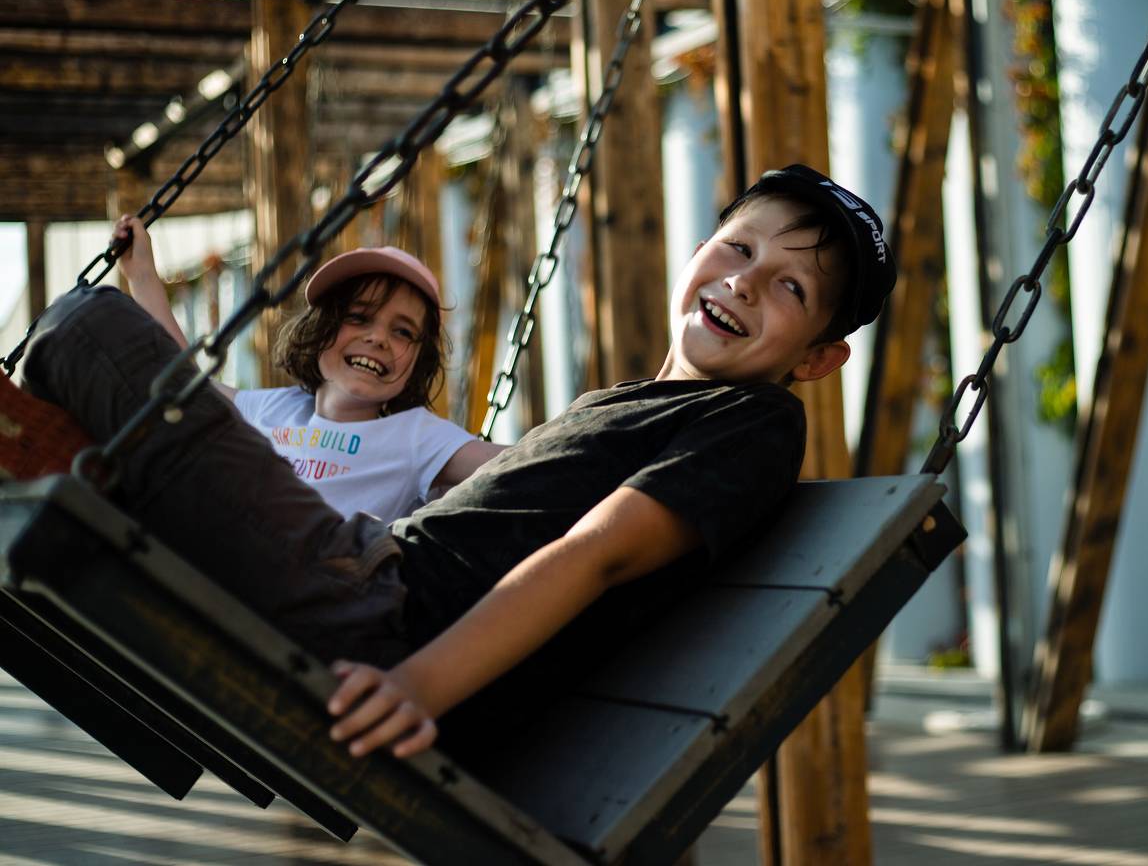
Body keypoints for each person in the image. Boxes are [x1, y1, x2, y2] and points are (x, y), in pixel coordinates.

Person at [21, 165, 896, 761]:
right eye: (740, 247)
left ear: (819, 358)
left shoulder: (753, 421)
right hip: (364, 580)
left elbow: (597, 552)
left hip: (383, 611)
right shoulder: (638, 402)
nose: (745, 281)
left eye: (791, 287)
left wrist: (419, 685)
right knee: (95, 357)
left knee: (87, 328)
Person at [110, 217, 500, 520]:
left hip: (317, 576)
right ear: (320, 331)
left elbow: (518, 466)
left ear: (417, 362)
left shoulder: (416, 436)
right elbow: (184, 375)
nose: (379, 338)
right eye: (359, 317)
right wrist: (142, 275)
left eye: (402, 332)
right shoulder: (272, 408)